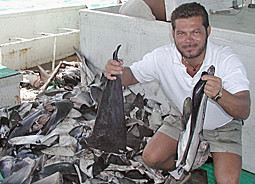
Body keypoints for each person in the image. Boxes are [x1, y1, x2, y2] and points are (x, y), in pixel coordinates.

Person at [104, 2, 250, 184]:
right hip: (183, 117)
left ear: (208, 31)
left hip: (223, 125)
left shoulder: (226, 59)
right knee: (151, 158)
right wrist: (116, 72)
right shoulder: (162, 57)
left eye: (196, 32)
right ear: (173, 34)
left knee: (227, 182)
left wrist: (220, 94)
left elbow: (244, 109)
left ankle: (197, 152)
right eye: (181, 33)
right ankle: (189, 163)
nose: (188, 40)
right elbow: (131, 75)